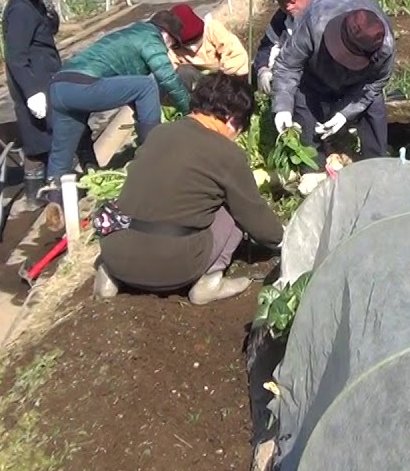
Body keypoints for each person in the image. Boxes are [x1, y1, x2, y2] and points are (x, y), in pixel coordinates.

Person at [94, 74, 284, 304]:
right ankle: (210, 283)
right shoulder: (226, 152)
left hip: (117, 254)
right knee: (234, 208)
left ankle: (110, 275)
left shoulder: (158, 134)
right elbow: (253, 215)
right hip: (175, 266)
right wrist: (282, 238)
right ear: (233, 120)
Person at [44, 18, 192, 192]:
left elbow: (128, 92)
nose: (169, 49)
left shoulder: (129, 34)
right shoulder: (151, 38)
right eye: (173, 44)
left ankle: (54, 205)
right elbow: (167, 78)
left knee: (61, 157)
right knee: (146, 85)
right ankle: (154, 153)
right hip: (83, 85)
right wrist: (189, 108)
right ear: (167, 35)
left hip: (59, 87)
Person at [270, 0, 394, 165]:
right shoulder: (314, 23)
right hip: (315, 75)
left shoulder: (384, 46)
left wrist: (346, 113)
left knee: (374, 109)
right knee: (305, 112)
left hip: (358, 81)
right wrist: (282, 106)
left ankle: (375, 169)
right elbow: (288, 65)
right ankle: (314, 172)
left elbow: (375, 83)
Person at [2, 0, 63, 208]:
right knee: (38, 139)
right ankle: (36, 195)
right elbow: (16, 56)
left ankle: (47, 194)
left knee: (47, 135)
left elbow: (49, 31)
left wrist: (49, 9)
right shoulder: (20, 10)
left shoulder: (34, 4)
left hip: (44, 77)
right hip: (32, 82)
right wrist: (31, 92)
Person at [253, 0, 320, 95]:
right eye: (281, 1)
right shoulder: (281, 18)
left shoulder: (324, 10)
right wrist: (263, 69)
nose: (287, 5)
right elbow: (267, 46)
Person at [161, 3, 249, 89]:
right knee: (183, 71)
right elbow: (170, 69)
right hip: (198, 80)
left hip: (224, 75)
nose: (193, 48)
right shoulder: (173, 46)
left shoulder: (213, 29)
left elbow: (236, 54)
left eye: (195, 40)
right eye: (188, 44)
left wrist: (222, 73)